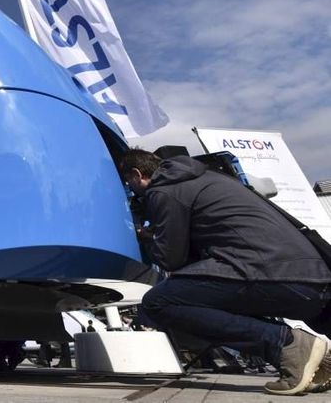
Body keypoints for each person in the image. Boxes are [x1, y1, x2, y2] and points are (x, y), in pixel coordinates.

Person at [120, 149, 331, 396]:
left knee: (158, 302)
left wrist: (147, 237)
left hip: (269, 271)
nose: (132, 191)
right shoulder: (210, 178)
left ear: (137, 174)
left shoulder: (164, 190)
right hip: (315, 276)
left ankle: (285, 344)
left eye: (129, 184)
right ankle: (320, 365)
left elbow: (170, 259)